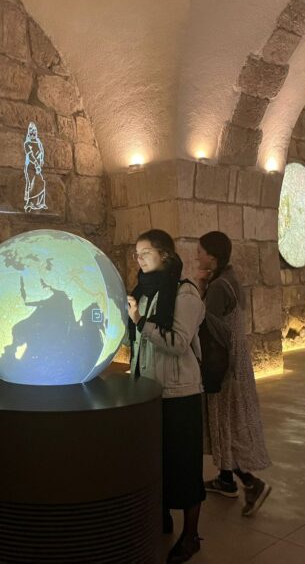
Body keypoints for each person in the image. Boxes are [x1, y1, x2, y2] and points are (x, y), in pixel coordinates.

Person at [127, 229, 205, 564]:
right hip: (149, 390)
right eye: (137, 254)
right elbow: (138, 343)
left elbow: (176, 343)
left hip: (178, 392)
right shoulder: (142, 292)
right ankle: (161, 518)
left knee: (184, 465)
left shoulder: (185, 294)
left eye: (145, 253)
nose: (139, 259)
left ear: (166, 256)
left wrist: (141, 321)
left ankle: (191, 535)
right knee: (155, 460)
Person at [197, 231, 272, 517]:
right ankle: (226, 479)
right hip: (235, 362)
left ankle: (250, 482)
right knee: (223, 420)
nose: (197, 256)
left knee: (226, 422)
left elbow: (208, 325)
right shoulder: (228, 278)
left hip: (223, 364)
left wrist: (201, 292)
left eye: (201, 251)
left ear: (212, 257)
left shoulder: (218, 287)